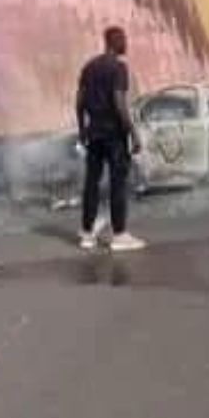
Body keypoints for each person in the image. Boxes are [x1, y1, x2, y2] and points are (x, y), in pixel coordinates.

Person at [76, 26, 145, 251]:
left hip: (93, 132)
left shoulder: (89, 67)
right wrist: (133, 133)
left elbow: (79, 102)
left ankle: (87, 233)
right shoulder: (118, 68)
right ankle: (119, 235)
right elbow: (119, 102)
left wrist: (82, 129)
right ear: (114, 42)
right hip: (113, 134)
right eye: (123, 39)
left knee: (91, 183)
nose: (126, 43)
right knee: (118, 184)